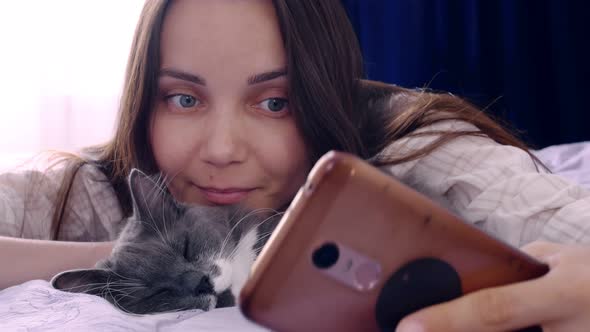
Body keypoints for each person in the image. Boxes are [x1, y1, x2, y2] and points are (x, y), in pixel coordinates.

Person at [1, 0, 589, 331]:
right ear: (143, 103)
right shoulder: (107, 183)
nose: (222, 149)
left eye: (274, 102)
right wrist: (140, 254)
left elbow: (565, 226)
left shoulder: (405, 139)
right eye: (184, 98)